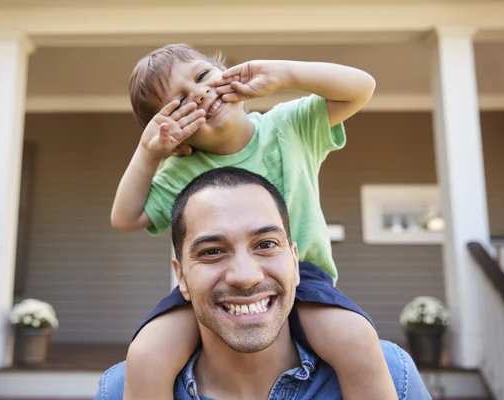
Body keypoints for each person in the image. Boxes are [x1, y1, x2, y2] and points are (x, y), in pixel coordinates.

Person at [111, 44, 395, 400]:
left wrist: (285, 74)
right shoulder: (180, 170)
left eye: (202, 76)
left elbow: (360, 87)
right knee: (147, 353)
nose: (199, 94)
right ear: (177, 136)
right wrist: (149, 151)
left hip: (301, 277)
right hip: (212, 290)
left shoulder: (288, 126)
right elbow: (125, 217)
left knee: (355, 337)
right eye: (180, 102)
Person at [99, 167, 431, 400]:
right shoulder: (122, 390)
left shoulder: (390, 372)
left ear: (296, 262)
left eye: (266, 244)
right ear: (181, 276)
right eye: (212, 251)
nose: (246, 276)